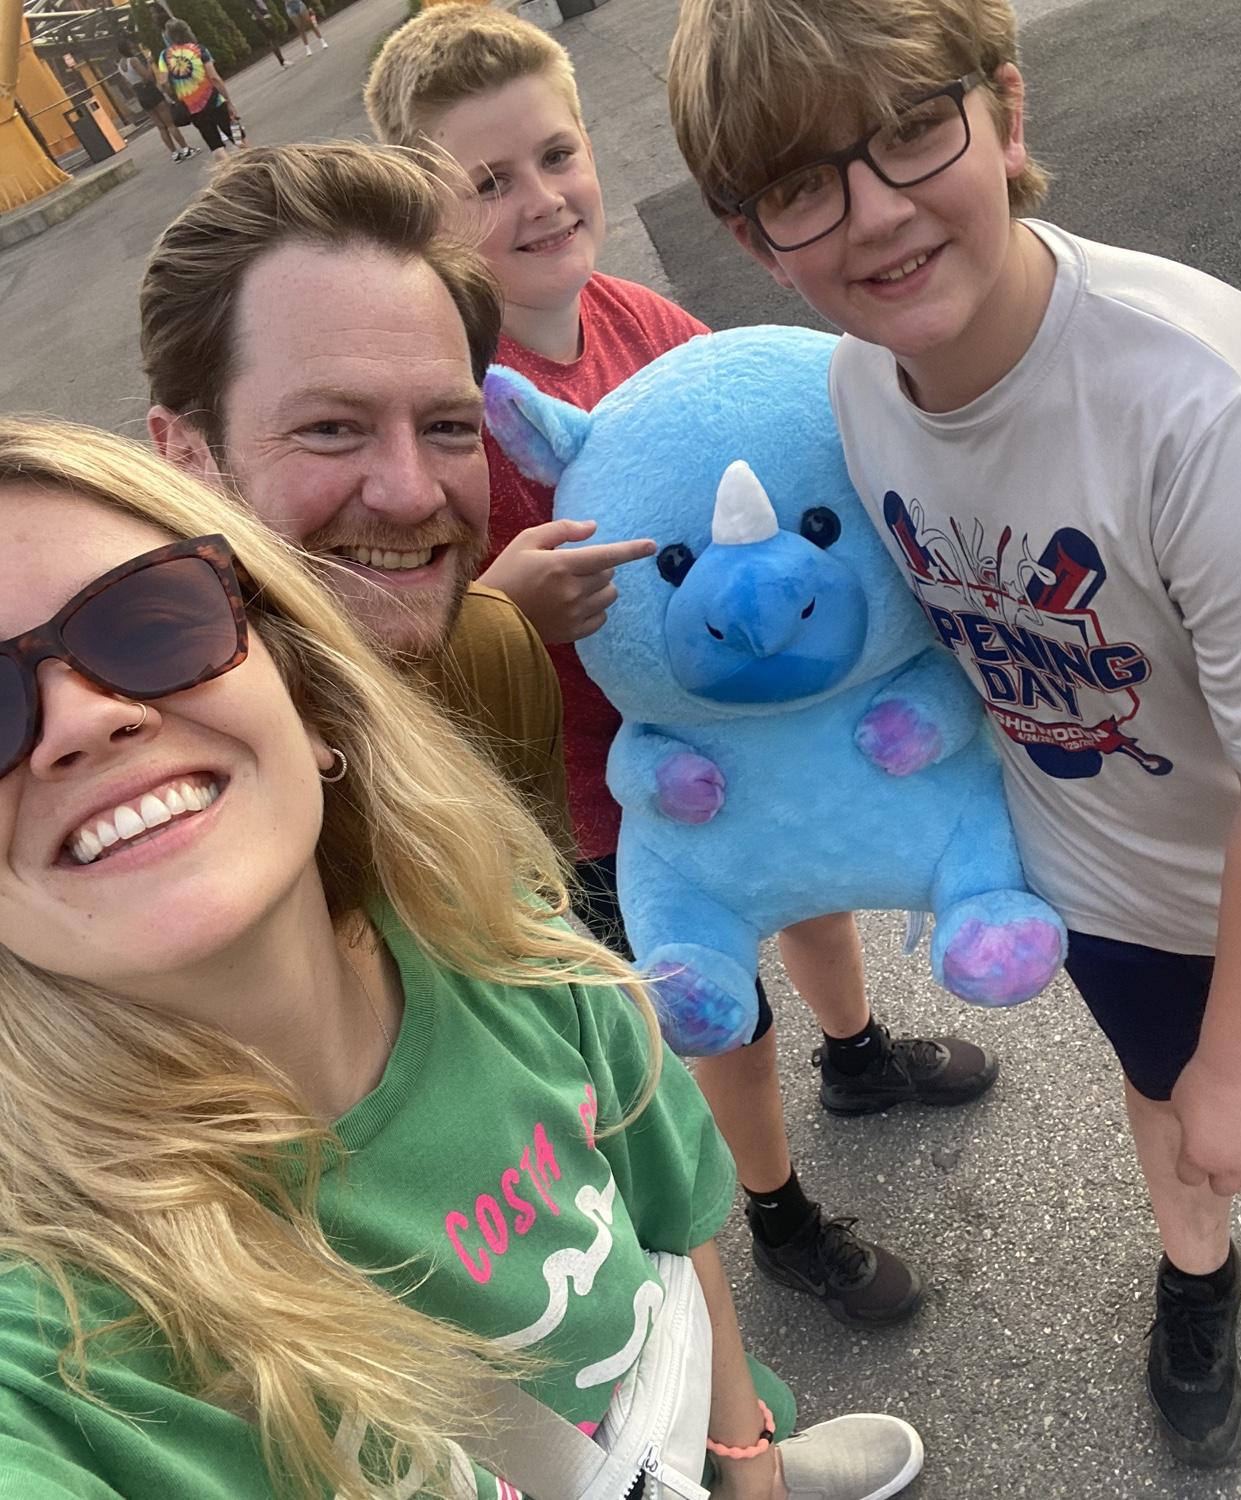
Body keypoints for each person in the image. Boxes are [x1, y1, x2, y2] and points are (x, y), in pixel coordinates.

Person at [667, 0, 1241, 1468]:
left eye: (911, 130)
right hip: (1104, 868)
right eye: (802, 183)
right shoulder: (858, 385)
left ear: (1004, 110)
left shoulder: (1210, 403)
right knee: (1157, 1081)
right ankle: (1198, 1272)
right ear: (755, 237)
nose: (876, 212)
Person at [0, 415, 925, 1500]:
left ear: (309, 700)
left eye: (153, 621)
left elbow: (673, 1235)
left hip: (682, 1438)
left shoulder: (506, 944)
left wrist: (742, 1456)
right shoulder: (50, 1347)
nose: (83, 720)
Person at [366, 2, 1002, 1332]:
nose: (542, 200)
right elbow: (406, 630)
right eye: (489, 182)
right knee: (718, 1008)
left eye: (556, 155)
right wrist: (504, 607)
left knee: (815, 899)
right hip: (609, 795)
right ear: (427, 215)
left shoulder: (640, 319)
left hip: (764, 735)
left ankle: (859, 1056)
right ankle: (776, 1211)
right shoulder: (448, 409)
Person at [141, 142, 571, 856]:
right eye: (331, 429)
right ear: (185, 454)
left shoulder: (493, 657)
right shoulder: (124, 779)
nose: (411, 495)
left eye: (446, 426)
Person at [155, 18, 243, 162]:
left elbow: (163, 82)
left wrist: (175, 96)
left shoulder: (165, 56)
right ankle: (254, 164)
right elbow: (214, 78)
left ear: (169, 36)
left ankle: (229, 169)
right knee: (238, 137)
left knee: (215, 146)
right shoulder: (199, 49)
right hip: (215, 101)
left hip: (193, 108)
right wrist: (228, 101)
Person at [116, 36, 194, 162]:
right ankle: (186, 148)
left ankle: (174, 153)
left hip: (140, 94)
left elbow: (128, 84)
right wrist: (149, 63)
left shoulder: (120, 66)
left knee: (160, 126)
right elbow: (148, 77)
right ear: (127, 47)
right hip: (150, 91)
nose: (133, 46)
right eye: (130, 45)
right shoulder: (133, 60)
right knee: (169, 123)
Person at [246, 0, 290, 68]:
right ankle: (282, 61)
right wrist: (265, 22)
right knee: (273, 40)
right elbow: (255, 11)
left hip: (265, 17)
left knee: (273, 39)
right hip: (263, 19)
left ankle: (282, 61)